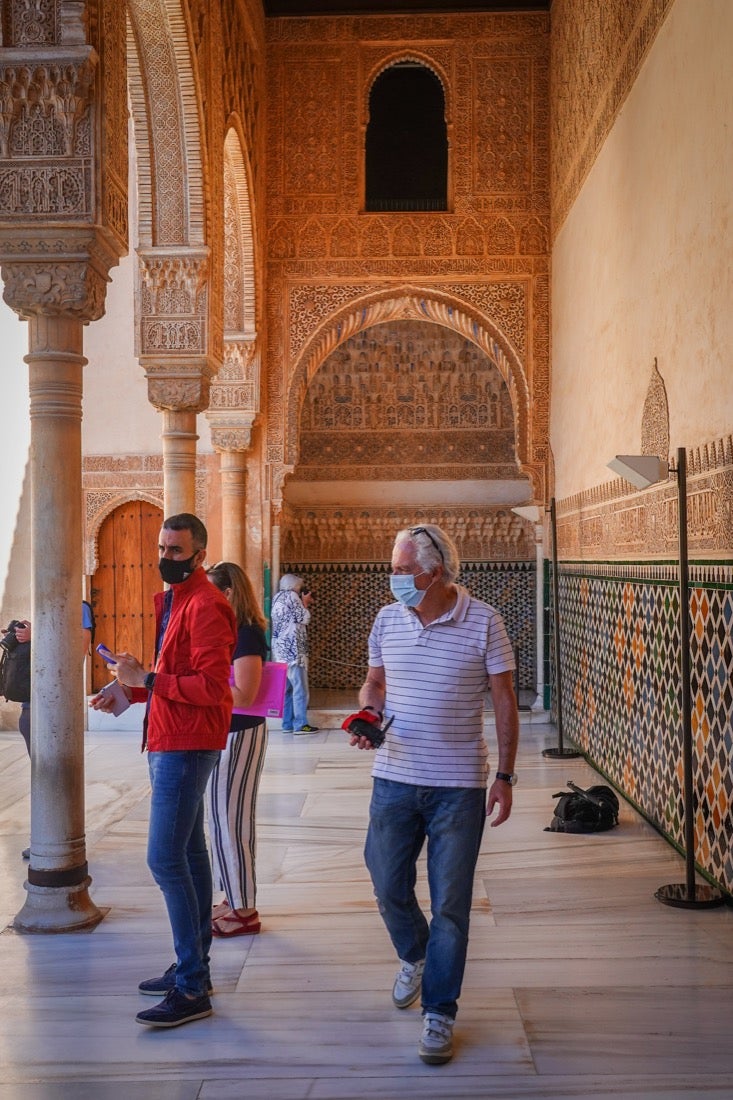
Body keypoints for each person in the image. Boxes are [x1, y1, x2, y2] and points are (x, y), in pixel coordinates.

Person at [347, 524, 519, 1066]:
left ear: (435, 571)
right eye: (393, 570)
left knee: (451, 905)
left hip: (458, 786)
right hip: (394, 775)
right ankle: (415, 955)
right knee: (385, 879)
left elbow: (505, 703)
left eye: (402, 571)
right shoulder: (386, 618)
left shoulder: (485, 622)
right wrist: (369, 711)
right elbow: (375, 681)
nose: (394, 580)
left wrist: (506, 776)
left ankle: (439, 1012)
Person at [90, 513, 236, 1029]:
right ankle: (192, 969)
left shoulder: (209, 605)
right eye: (161, 548)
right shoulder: (176, 600)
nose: (165, 559)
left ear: (200, 554)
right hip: (169, 737)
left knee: (164, 860)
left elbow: (213, 688)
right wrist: (127, 691)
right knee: (190, 856)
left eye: (176, 551)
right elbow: (171, 680)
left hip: (188, 745)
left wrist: (146, 676)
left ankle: (193, 986)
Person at [205, 561, 268, 937]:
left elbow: (245, 693)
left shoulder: (247, 633)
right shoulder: (228, 630)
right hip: (221, 734)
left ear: (228, 593)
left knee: (232, 823)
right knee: (220, 820)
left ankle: (244, 910)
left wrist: (199, 686)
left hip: (239, 734)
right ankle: (232, 895)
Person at [2, 607, 93, 859]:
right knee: (42, 779)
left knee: (54, 778)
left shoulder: (79, 606)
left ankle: (57, 844)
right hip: (31, 707)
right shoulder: (45, 605)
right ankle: (49, 840)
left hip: (52, 709)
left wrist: (36, 636)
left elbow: (76, 653)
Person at [270, 573, 319, 734]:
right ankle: (300, 724)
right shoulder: (292, 596)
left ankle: (287, 724)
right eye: (299, 587)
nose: (300, 590)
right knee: (300, 689)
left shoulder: (277, 598)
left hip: (280, 652)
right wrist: (305, 603)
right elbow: (304, 618)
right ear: (293, 586)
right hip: (293, 652)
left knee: (287, 690)